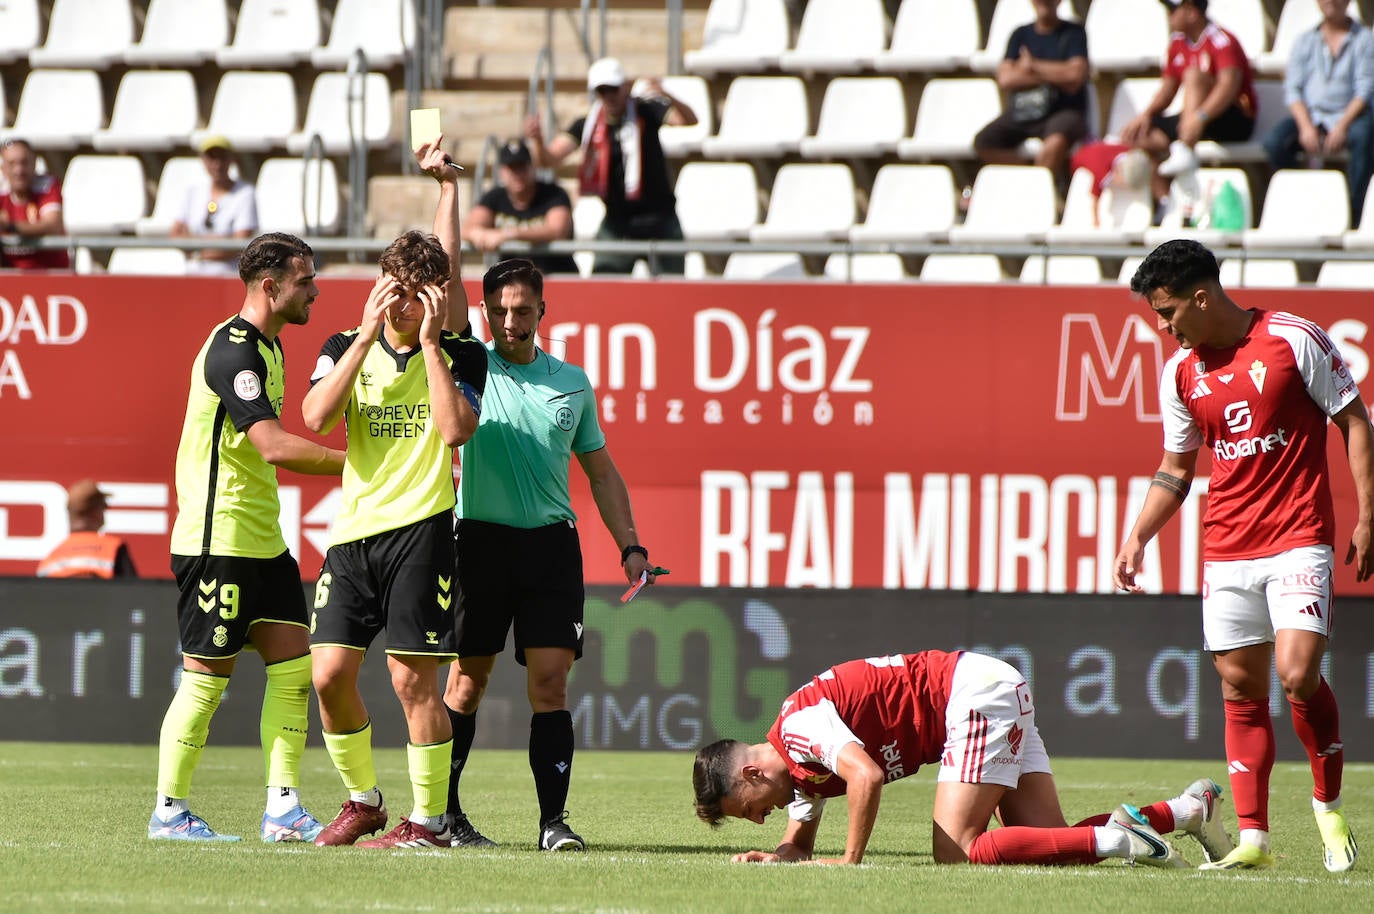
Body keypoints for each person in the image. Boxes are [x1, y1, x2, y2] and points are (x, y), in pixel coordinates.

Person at [1116, 239, 1371, 872]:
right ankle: (1253, 839)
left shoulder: (1293, 339)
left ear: (1201, 297)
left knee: (1297, 671)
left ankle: (1327, 804)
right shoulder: (1180, 372)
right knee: (1239, 690)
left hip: (1298, 537)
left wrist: (1369, 515)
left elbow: (1355, 421)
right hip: (1226, 548)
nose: (1164, 326)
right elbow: (1176, 468)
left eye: (1168, 311)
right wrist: (1137, 535)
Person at [304, 139, 487, 850]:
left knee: (414, 686)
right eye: (395, 291)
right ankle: (363, 800)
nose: (406, 305)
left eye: (419, 294)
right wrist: (363, 336)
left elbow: (453, 433)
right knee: (328, 677)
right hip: (352, 533)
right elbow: (317, 418)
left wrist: (436, 344)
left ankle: (431, 821)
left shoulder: (458, 350)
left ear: (435, 295)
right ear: (380, 286)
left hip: (422, 531)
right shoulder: (344, 341)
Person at [439, 257, 657, 851]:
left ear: (542, 310)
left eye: (522, 309)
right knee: (466, 683)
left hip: (552, 549)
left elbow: (602, 474)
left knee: (552, 686)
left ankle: (552, 824)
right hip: (478, 543)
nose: (511, 320)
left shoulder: (573, 382)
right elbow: (451, 275)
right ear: (485, 312)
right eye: (500, 310)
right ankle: (446, 815)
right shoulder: (471, 363)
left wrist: (630, 547)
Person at [149, 232, 346, 843]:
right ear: (271, 286)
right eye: (305, 279)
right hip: (218, 538)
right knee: (206, 679)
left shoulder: (270, 347)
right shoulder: (233, 352)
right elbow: (272, 445)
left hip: (263, 539)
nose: (315, 289)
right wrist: (363, 464)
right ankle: (169, 810)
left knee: (293, 671)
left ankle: (282, 808)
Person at [693, 649, 1231, 868]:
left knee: (956, 852)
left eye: (748, 808)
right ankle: (1185, 812)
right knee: (1052, 844)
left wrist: (848, 863)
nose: (760, 818)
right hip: (991, 687)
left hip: (970, 698)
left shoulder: (799, 729)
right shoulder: (797, 766)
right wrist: (782, 856)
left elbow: (867, 775)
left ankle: (1119, 840)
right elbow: (799, 841)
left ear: (751, 773)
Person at [525, 57, 696, 275]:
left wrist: (667, 94)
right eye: (602, 90)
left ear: (625, 87)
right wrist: (537, 141)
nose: (609, 96)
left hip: (660, 218)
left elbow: (688, 120)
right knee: (602, 286)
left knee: (674, 293)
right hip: (618, 222)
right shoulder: (588, 125)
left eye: (613, 89)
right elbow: (549, 160)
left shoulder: (647, 111)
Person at [1119, 0, 1256, 195]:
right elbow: (1167, 90)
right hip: (1196, 120)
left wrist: (1199, 118)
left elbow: (1229, 86)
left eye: (1173, 10)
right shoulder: (1177, 43)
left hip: (1233, 120)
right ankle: (1167, 201)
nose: (1169, 16)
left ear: (1191, 12)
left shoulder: (1221, 40)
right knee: (1138, 135)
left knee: (1193, 75)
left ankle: (1185, 146)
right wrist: (1146, 115)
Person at [1262, 0, 1374, 228]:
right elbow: (1293, 90)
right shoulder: (1304, 40)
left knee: (1364, 138)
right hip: (1312, 117)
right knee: (1274, 144)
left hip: (1351, 116)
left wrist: (1342, 126)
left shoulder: (1365, 39)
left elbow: (1365, 90)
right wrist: (1305, 126)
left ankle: (1354, 214)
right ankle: (1301, 199)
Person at [972, 0, 1090, 192]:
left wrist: (1033, 66)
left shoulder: (1074, 32)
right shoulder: (1020, 34)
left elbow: (1075, 76)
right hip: (1025, 111)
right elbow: (1006, 79)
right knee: (984, 142)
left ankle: (1034, 192)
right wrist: (1055, 74)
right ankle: (1031, 179)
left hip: (1064, 111)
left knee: (1055, 142)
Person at [465, 139, 578, 276]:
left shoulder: (554, 194)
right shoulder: (494, 197)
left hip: (555, 277)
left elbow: (557, 230)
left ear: (533, 167)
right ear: (502, 171)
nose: (518, 174)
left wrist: (507, 234)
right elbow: (468, 228)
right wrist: (478, 234)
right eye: (512, 168)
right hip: (511, 282)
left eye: (522, 167)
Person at [170, 135, 259, 275]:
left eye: (222, 157)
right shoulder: (193, 191)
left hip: (229, 275)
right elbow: (175, 233)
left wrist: (195, 247)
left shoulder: (245, 193)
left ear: (231, 159)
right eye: (211, 157)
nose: (217, 164)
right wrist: (218, 242)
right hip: (194, 272)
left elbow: (240, 243)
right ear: (203, 160)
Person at [37, 479, 138, 578]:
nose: (105, 509)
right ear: (95, 511)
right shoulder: (113, 549)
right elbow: (133, 592)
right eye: (103, 506)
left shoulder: (50, 560)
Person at [0, 138, 70, 270]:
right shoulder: (1, 190)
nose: (18, 170)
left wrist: (10, 227)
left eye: (24, 162)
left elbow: (53, 226)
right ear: (3, 169)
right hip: (9, 279)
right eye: (12, 164)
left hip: (49, 275)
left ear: (34, 164)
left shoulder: (47, 186)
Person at [1068, 140, 1155, 228]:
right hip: (1077, 161)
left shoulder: (1132, 154)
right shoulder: (1100, 173)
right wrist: (1096, 223)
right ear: (1117, 172)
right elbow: (1094, 199)